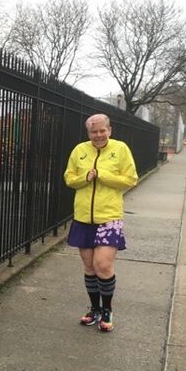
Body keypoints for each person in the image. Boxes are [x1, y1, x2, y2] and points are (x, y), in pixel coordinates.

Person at [63, 114, 138, 332]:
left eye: (102, 130)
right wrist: (85, 177)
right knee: (89, 266)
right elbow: (69, 178)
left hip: (109, 217)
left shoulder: (120, 149)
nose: (98, 135)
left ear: (109, 130)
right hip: (83, 217)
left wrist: (102, 175)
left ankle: (107, 310)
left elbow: (130, 179)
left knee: (102, 265)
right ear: (88, 133)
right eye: (93, 132)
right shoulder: (79, 150)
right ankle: (94, 309)